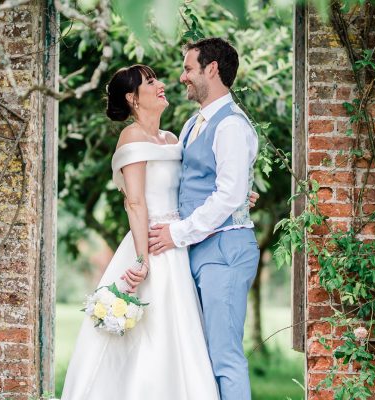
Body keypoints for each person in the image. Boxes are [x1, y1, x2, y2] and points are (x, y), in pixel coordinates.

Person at [60, 64, 220, 400]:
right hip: (147, 246)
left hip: (176, 244)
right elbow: (135, 203)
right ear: (133, 98)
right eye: (150, 82)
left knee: (181, 334)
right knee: (150, 338)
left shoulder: (172, 139)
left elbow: (190, 191)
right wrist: (142, 260)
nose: (161, 84)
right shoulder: (131, 137)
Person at [148, 38, 261, 400]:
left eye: (188, 68)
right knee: (196, 356)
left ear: (211, 69)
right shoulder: (192, 123)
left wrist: (176, 233)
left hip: (224, 251)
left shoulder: (230, 125)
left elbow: (228, 195)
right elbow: (215, 185)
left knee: (224, 357)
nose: (181, 77)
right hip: (197, 250)